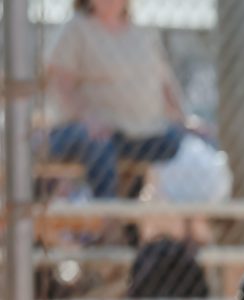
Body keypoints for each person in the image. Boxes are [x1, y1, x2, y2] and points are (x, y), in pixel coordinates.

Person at [46, 0, 186, 199]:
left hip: (142, 131)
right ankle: (107, 218)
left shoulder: (142, 33)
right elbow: (60, 84)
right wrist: (88, 117)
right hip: (93, 132)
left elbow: (165, 82)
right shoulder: (76, 28)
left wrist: (184, 121)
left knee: (183, 143)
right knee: (99, 144)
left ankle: (139, 223)